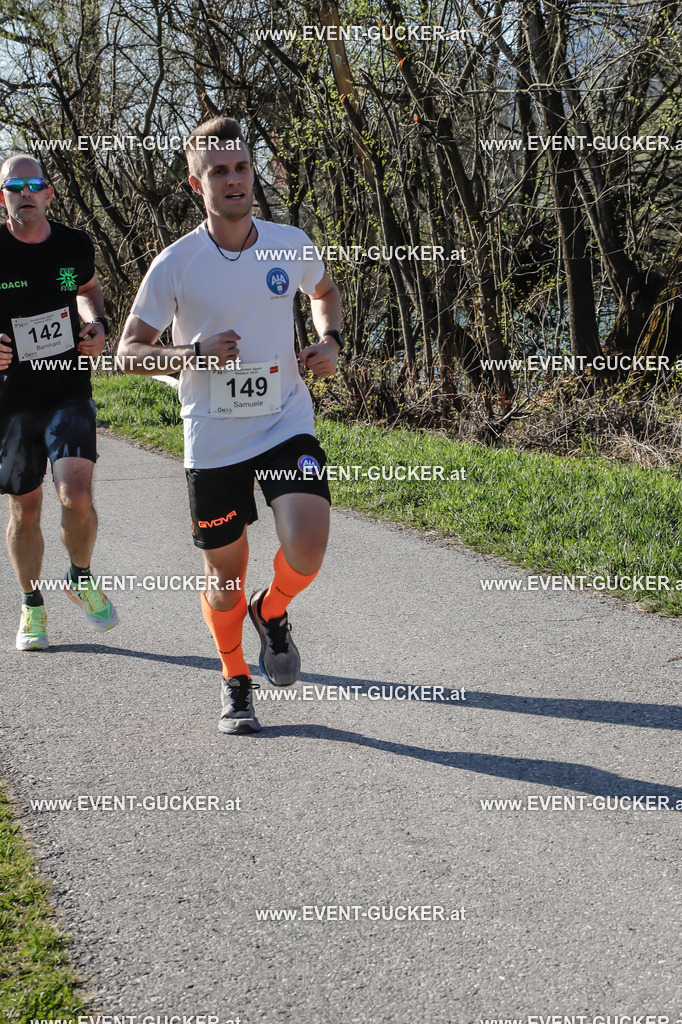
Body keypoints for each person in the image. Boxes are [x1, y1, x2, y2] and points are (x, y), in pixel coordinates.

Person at [117, 116, 342, 734]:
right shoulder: (176, 263)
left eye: (241, 166)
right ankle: (235, 677)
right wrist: (190, 356)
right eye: (219, 171)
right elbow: (127, 354)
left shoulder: (288, 242)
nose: (234, 179)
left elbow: (323, 290)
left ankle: (273, 611)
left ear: (252, 173)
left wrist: (330, 338)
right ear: (197, 184)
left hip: (283, 422)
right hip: (213, 435)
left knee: (308, 543)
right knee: (224, 574)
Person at [0, 154, 119, 649]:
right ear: (1, 197)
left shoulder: (74, 245)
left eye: (35, 184)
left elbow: (88, 290)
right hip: (11, 401)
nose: (26, 192)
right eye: (14, 185)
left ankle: (81, 575)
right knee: (25, 510)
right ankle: (31, 606)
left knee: (78, 495)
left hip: (68, 386)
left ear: (49, 194)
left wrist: (97, 325)